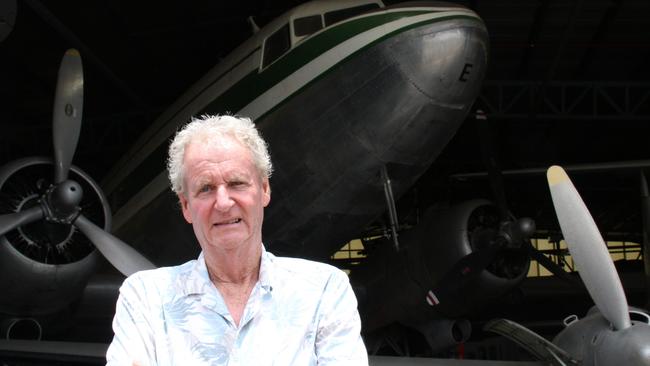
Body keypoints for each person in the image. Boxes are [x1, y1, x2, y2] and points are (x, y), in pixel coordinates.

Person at [106, 114, 368, 365]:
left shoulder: (324, 290)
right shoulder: (145, 297)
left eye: (236, 183)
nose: (223, 202)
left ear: (264, 190)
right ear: (186, 205)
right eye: (206, 188)